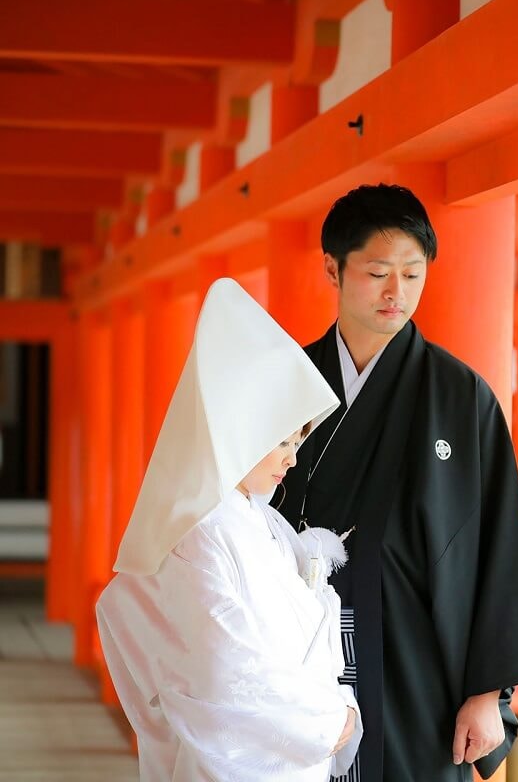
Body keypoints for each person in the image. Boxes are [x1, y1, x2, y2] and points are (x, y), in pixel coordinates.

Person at [273, 184, 518, 782]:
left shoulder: (459, 397)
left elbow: (497, 546)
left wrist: (487, 693)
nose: (395, 292)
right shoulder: (290, 384)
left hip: (416, 660)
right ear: (333, 267)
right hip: (298, 649)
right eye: (378, 272)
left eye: (411, 273)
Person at [96, 279, 363, 780]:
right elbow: (223, 670)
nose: (293, 457)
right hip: (239, 761)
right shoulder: (200, 531)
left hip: (293, 752)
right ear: (239, 433)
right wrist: (327, 720)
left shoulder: (260, 519)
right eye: (280, 440)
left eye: (299, 439)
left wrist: (335, 706)